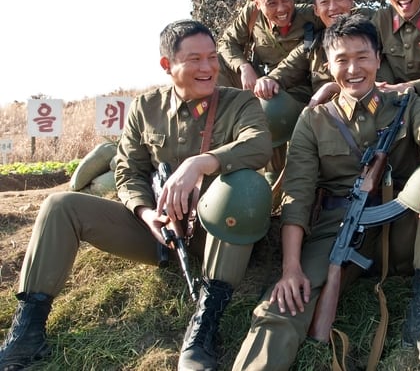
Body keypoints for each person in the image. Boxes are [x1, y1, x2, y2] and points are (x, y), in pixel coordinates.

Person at [0, 19, 273, 371]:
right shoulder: (145, 107)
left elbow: (258, 145)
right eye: (194, 59)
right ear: (167, 65)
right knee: (60, 205)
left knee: (244, 186)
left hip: (219, 234)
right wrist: (147, 213)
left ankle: (205, 323)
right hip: (161, 233)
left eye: (212, 57)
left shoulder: (239, 103)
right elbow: (128, 171)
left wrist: (200, 163)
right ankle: (28, 331)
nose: (207, 67)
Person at [231, 14, 420, 369]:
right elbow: (297, 196)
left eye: (362, 57)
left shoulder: (404, 103)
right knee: (283, 303)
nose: (353, 69)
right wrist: (291, 268)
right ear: (328, 66)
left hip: (401, 228)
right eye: (342, 60)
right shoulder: (313, 120)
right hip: (337, 228)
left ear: (378, 58)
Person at [217, 0, 324, 186]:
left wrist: (271, 79)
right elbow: (226, 42)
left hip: (296, 90)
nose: (282, 9)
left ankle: (275, 178)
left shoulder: (311, 17)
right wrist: (243, 66)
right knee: (218, 64)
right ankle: (220, 129)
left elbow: (302, 57)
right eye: (272, 3)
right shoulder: (251, 15)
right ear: (257, 4)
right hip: (260, 82)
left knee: (270, 107)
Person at [254, 0, 372, 150]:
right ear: (316, 10)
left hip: (368, 122)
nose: (333, 7)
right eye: (324, 2)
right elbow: (286, 70)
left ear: (351, 1)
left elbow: (383, 87)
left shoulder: (373, 36)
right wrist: (267, 80)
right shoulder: (314, 44)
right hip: (325, 127)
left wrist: (332, 88)